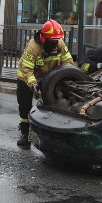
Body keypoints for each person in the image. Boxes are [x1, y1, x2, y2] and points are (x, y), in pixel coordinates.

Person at [16, 19, 75, 147]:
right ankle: (25, 134)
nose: (55, 44)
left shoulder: (59, 44)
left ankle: (51, 134)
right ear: (44, 39)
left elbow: (68, 62)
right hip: (26, 79)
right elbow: (26, 69)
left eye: (56, 41)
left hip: (49, 78)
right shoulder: (33, 47)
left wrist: (67, 78)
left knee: (53, 104)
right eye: (52, 42)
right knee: (25, 107)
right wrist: (33, 85)